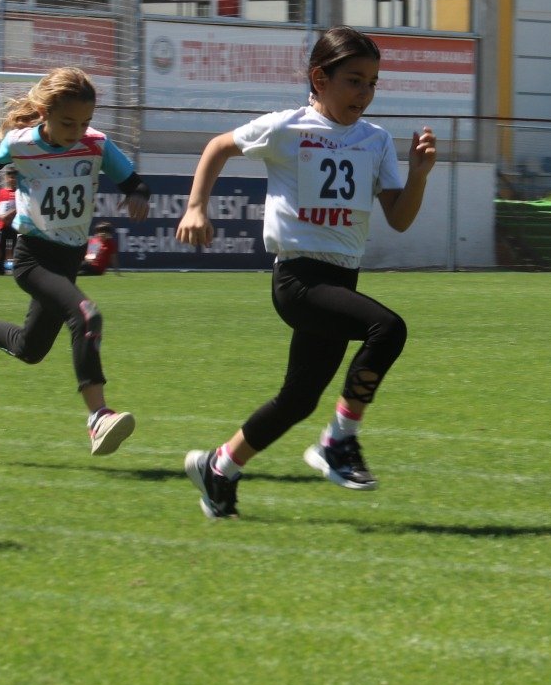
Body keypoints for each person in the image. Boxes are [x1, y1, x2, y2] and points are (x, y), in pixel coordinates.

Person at [176, 26, 437, 519]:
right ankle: (339, 441)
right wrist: (195, 207)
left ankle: (220, 468)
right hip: (298, 280)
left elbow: (399, 219)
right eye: (354, 80)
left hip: (341, 280)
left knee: (296, 399)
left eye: (373, 83)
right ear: (320, 78)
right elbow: (218, 146)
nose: (365, 93)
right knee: (389, 328)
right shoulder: (286, 128)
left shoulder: (375, 141)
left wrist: (419, 175)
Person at [0, 67, 151, 457]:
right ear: (44, 111)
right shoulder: (21, 143)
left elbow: (133, 182)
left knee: (30, 349)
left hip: (69, 260)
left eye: (85, 121)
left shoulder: (96, 144)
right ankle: (98, 417)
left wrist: (139, 195)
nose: (77, 130)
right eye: (67, 122)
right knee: (87, 315)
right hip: (33, 258)